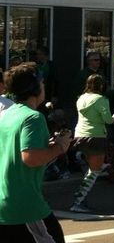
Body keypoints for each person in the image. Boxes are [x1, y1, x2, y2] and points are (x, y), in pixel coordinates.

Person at [0, 63, 72, 242]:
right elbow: (30, 158)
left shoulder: (9, 114)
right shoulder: (33, 117)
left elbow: (13, 152)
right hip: (24, 207)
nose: (44, 86)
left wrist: (47, 147)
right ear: (34, 87)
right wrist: (60, 147)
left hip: (5, 204)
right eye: (42, 83)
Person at [70, 74, 114, 212]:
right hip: (96, 137)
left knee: (93, 168)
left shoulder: (81, 98)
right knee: (95, 170)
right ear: (102, 86)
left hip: (79, 135)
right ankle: (78, 201)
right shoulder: (101, 100)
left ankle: (81, 195)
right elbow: (107, 120)